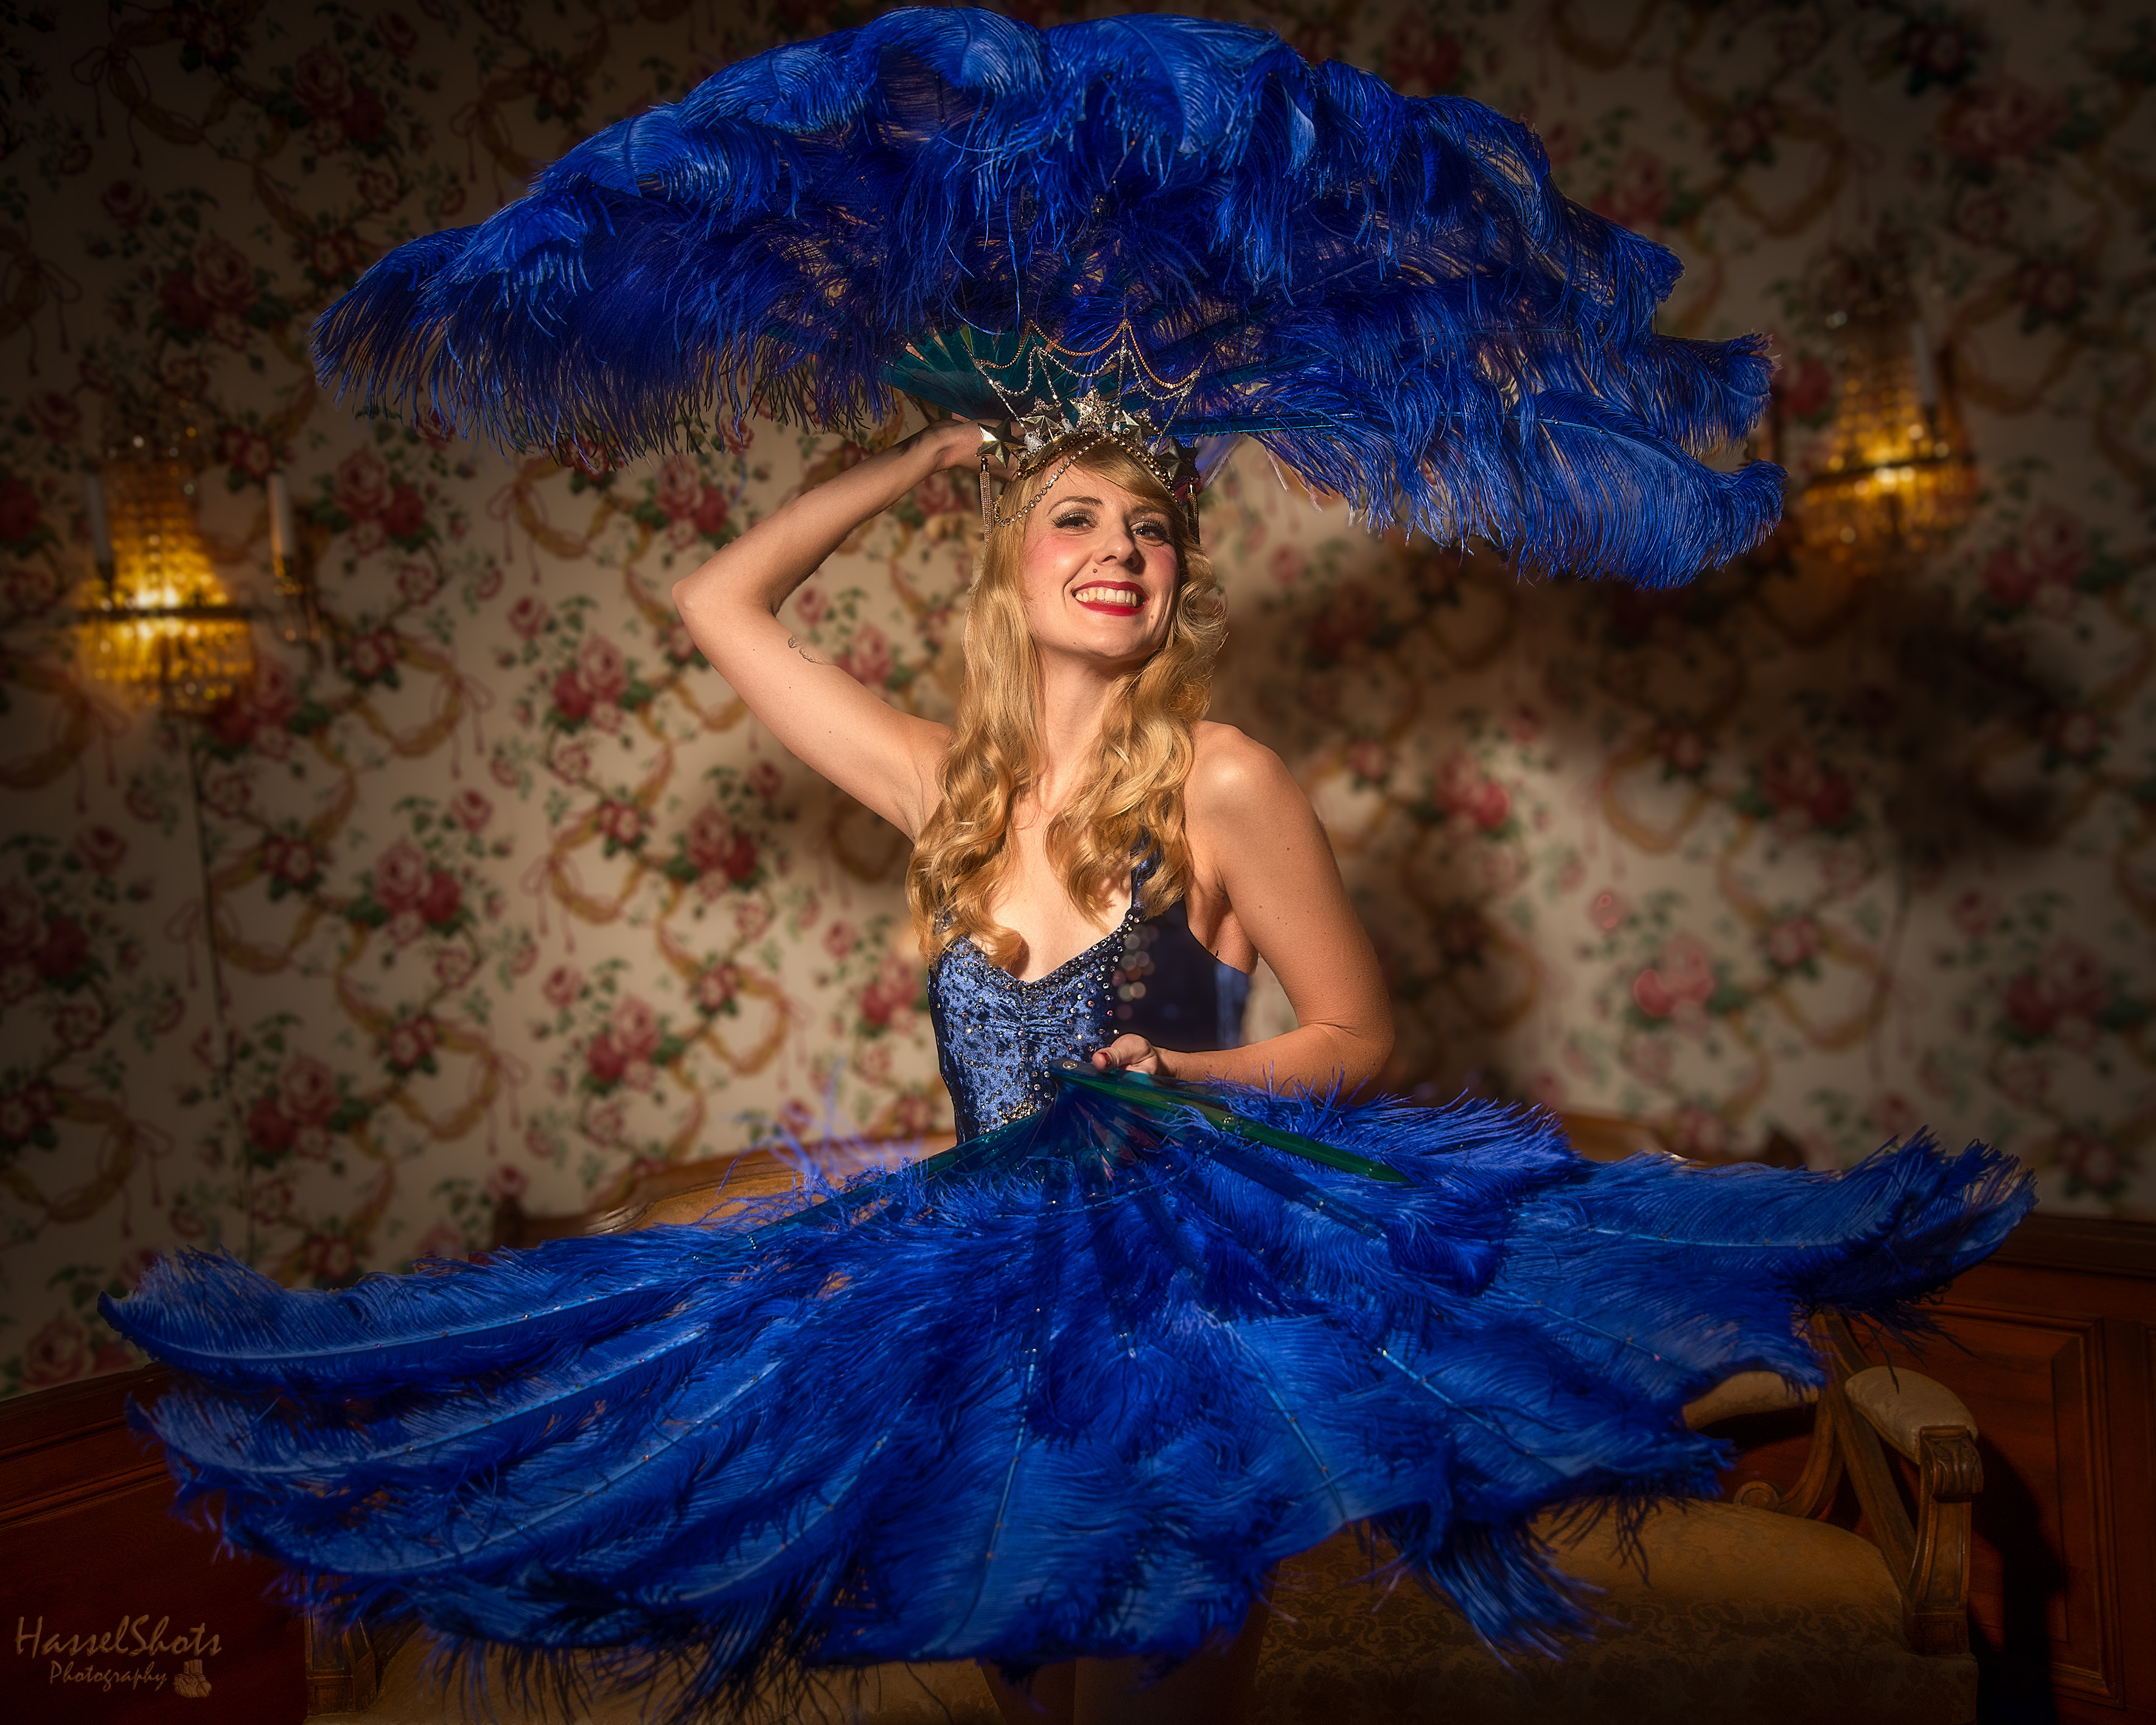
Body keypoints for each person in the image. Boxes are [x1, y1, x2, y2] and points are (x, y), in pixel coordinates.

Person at [670, 411, 1387, 1723]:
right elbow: (715, 602)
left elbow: (1358, 1036)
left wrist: (1186, 1071)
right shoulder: (945, 790)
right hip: (986, 1337)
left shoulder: (1223, 780)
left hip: (1171, 1324)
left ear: (1178, 578)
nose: (1120, 548)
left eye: (1151, 528)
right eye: (1075, 517)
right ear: (1010, 561)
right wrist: (911, 466)